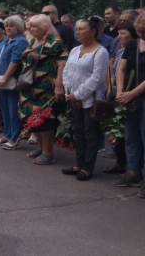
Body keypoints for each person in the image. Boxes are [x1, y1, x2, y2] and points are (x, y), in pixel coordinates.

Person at [62, 19, 109, 181]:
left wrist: (78, 95)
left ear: (93, 32)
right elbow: (67, 72)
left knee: (90, 134)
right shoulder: (75, 50)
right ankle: (78, 164)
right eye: (77, 29)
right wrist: (70, 93)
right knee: (78, 132)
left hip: (90, 101)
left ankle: (88, 168)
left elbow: (97, 78)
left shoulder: (100, 52)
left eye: (82, 29)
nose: (78, 32)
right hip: (74, 98)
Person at [18, 14, 67, 164]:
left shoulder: (54, 42)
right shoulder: (33, 40)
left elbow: (62, 64)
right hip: (29, 86)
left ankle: (48, 152)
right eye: (30, 26)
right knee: (31, 116)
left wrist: (59, 86)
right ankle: (40, 148)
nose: (31, 29)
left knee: (44, 119)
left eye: (35, 27)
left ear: (45, 27)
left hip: (45, 87)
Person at [115, 14, 145, 196]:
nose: (141, 34)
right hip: (129, 97)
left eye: (144, 31)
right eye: (139, 31)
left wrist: (133, 93)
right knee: (131, 135)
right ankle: (133, 172)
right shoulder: (133, 44)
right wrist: (120, 91)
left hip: (138, 95)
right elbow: (121, 68)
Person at [103, 22, 137, 176]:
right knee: (116, 130)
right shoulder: (120, 50)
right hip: (117, 92)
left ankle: (133, 167)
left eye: (123, 33)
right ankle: (121, 162)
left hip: (131, 94)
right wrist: (112, 89)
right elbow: (116, 71)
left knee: (129, 133)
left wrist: (126, 91)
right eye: (119, 33)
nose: (119, 37)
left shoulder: (135, 50)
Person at [0, 15, 29, 149]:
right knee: (5, 109)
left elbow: (15, 62)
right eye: (7, 25)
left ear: (18, 27)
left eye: (12, 26)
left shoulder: (20, 41)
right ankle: (7, 134)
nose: (8, 28)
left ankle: (14, 138)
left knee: (13, 109)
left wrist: (5, 77)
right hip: (1, 78)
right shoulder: (5, 40)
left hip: (12, 79)